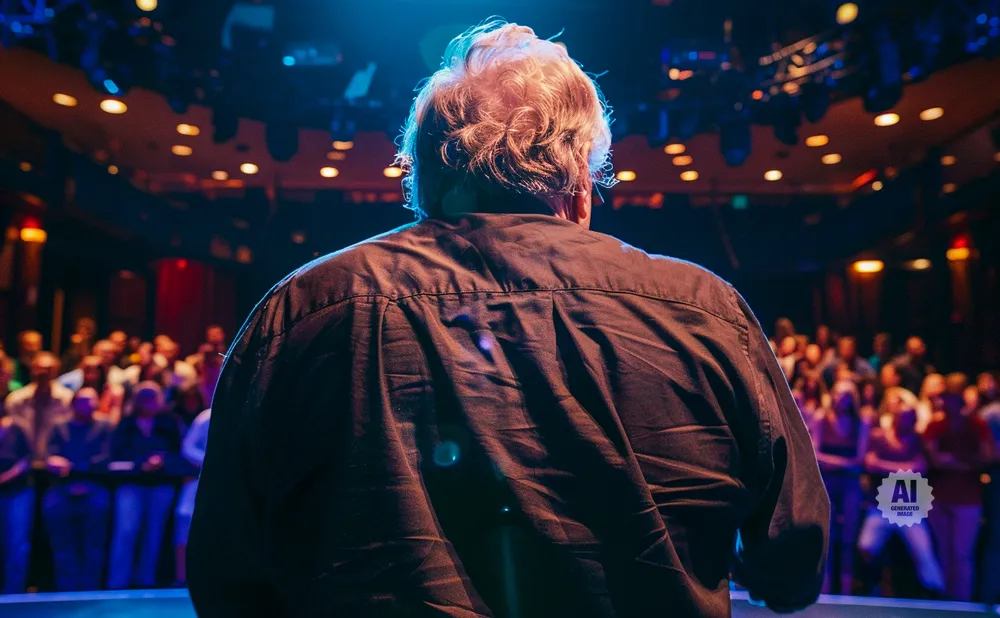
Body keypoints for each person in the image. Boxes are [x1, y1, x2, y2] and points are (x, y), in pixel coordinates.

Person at [188, 20, 830, 618]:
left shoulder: (303, 310)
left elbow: (226, 576)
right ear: (580, 178)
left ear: (425, 181)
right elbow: (793, 561)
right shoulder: (705, 313)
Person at [858, 405, 944, 595]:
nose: (906, 422)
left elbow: (920, 468)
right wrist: (905, 470)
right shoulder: (878, 437)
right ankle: (871, 588)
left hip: (907, 509)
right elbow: (870, 464)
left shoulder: (917, 441)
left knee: (923, 552)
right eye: (903, 417)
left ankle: (936, 596)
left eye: (910, 418)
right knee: (866, 547)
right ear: (895, 417)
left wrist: (886, 467)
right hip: (879, 508)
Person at [107, 381, 184, 589]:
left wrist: (161, 460)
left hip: (161, 484)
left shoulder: (169, 423)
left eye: (152, 396)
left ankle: (146, 581)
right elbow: (115, 456)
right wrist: (141, 464)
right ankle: (118, 583)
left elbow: (178, 453)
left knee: (154, 532)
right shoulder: (126, 424)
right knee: (126, 530)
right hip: (131, 483)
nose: (148, 401)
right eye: (144, 396)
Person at [42, 387, 114, 591]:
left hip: (94, 490)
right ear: (73, 404)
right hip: (61, 491)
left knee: (94, 546)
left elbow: (106, 457)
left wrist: (75, 468)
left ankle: (90, 591)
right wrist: (54, 462)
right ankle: (67, 591)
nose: (89, 404)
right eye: (83, 401)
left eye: (92, 400)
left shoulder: (105, 426)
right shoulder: (58, 427)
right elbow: (49, 453)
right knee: (63, 547)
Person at [924, 393, 994, 601]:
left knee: (962, 553)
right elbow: (934, 459)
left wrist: (955, 461)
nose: (945, 403)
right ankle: (944, 603)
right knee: (943, 552)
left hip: (968, 499)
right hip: (939, 497)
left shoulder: (977, 425)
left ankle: (961, 605)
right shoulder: (935, 426)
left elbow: (987, 456)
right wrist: (966, 464)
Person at [810, 379, 871, 595]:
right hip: (826, 483)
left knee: (847, 539)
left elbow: (861, 460)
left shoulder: (861, 423)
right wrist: (846, 464)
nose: (841, 398)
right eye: (838, 393)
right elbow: (815, 455)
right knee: (827, 538)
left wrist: (833, 462)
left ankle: (846, 593)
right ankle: (824, 592)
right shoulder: (820, 417)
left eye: (846, 395)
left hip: (850, 486)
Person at [5, 352, 73, 460]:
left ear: (56, 371)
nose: (44, 373)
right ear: (32, 370)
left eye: (49, 369)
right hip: (20, 461)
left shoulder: (68, 399)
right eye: (40, 368)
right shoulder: (16, 400)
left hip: (55, 462)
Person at [0, 396, 33, 593]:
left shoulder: (16, 428)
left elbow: (25, 460)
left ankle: (14, 592)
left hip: (18, 492)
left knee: (16, 543)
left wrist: (4, 478)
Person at [175, 407, 210, 586]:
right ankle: (182, 579)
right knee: (185, 529)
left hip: (229, 485)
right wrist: (211, 461)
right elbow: (187, 447)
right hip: (196, 483)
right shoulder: (207, 417)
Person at [979, 372, 1000, 607]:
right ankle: (989, 598)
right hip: (996, 481)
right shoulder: (992, 413)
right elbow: (987, 452)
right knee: (996, 540)